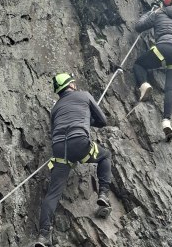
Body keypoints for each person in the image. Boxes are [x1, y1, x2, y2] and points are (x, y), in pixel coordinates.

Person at [34, 73, 112, 247]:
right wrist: (86, 119)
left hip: (60, 149)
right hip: (79, 142)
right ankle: (103, 194)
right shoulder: (84, 95)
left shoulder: (55, 109)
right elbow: (103, 120)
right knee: (105, 155)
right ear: (72, 85)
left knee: (53, 193)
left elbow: (55, 128)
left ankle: (43, 235)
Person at [133, 0, 172, 141]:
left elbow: (139, 26)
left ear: (164, 4)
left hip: (165, 47)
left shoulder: (159, 13)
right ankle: (166, 121)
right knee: (171, 90)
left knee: (139, 64)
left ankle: (144, 85)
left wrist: (151, 11)